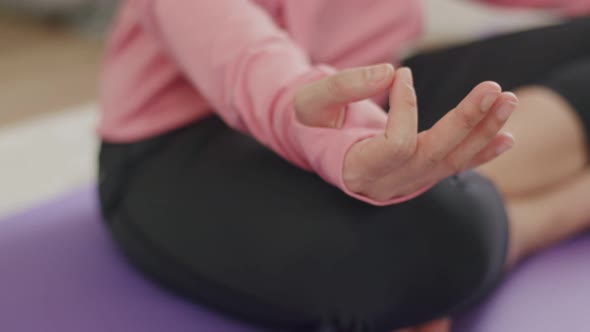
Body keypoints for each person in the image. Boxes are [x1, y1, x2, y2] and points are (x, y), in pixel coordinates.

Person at [98, 1, 590, 331]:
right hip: (184, 143)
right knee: (434, 238)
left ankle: (464, 192)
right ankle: (549, 209)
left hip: (367, 92)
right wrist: (348, 144)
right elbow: (245, 57)